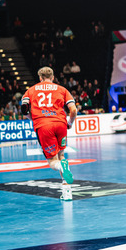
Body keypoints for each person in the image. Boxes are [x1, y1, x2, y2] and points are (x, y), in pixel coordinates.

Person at [21, 67, 78, 201]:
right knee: (62, 155)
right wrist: (70, 123)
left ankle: (61, 167)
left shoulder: (31, 90)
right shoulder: (62, 89)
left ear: (40, 78)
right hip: (60, 124)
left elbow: (24, 109)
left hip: (44, 125)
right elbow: (73, 110)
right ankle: (67, 192)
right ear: (52, 77)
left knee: (53, 161)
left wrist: (34, 118)